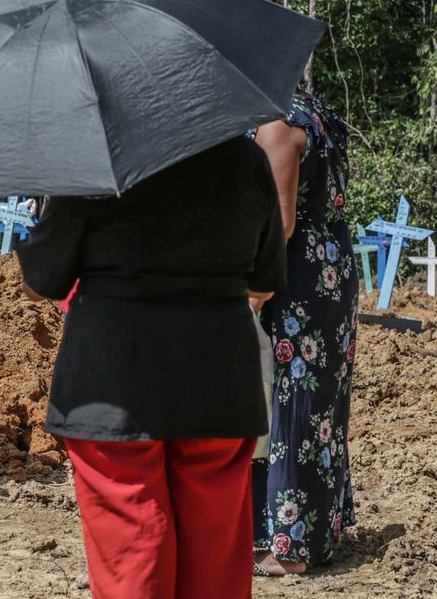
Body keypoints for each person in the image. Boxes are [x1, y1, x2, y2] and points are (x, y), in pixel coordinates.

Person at [17, 136, 287, 599]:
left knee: (133, 550)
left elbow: (41, 281)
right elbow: (265, 277)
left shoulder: (93, 161)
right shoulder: (245, 159)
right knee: (215, 556)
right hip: (217, 379)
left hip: (115, 385)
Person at [251, 94, 358, 575]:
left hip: (298, 282)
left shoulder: (276, 127)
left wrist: (252, 295)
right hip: (331, 268)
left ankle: (290, 549)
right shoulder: (316, 112)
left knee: (293, 407)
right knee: (323, 411)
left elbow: (281, 222)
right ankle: (316, 530)